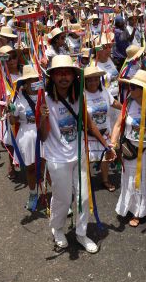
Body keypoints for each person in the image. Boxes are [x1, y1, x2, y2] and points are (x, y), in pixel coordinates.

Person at [38, 55, 112, 253]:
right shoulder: (43, 100)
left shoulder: (80, 97)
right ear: (52, 76)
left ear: (73, 76)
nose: (63, 77)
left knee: (83, 197)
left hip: (79, 155)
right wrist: (44, 118)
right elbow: (43, 137)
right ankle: (58, 229)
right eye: (59, 73)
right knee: (62, 197)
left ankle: (81, 233)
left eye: (67, 73)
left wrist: (107, 146)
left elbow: (89, 123)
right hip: (56, 158)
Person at [111, 70, 146, 226]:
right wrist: (113, 143)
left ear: (144, 89)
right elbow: (118, 125)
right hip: (130, 150)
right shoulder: (128, 102)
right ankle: (130, 209)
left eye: (134, 86)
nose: (130, 88)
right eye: (130, 85)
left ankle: (141, 212)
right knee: (130, 180)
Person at [10, 65, 42, 211]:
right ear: (25, 82)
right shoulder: (18, 98)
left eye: (35, 79)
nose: (33, 82)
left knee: (48, 167)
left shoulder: (46, 95)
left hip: (44, 134)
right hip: (27, 136)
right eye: (30, 80)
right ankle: (33, 194)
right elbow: (13, 121)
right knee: (30, 169)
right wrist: (9, 111)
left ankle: (57, 198)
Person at [83, 66, 118, 192]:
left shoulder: (104, 90)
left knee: (105, 158)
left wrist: (126, 107)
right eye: (90, 80)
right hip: (89, 133)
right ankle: (85, 182)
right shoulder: (82, 95)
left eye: (96, 79)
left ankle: (105, 180)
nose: (93, 82)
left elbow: (113, 103)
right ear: (85, 81)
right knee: (87, 159)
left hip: (105, 131)